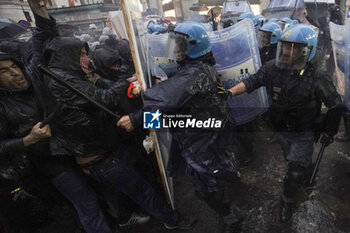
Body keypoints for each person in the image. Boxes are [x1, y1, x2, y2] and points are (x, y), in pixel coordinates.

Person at [117, 21, 245, 233]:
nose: (174, 48)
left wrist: (135, 119)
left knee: (207, 189)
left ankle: (233, 218)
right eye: (174, 43)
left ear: (193, 47)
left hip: (203, 140)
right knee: (206, 184)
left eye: (179, 45)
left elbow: (167, 102)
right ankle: (230, 212)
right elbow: (179, 97)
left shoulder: (194, 73)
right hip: (200, 136)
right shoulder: (198, 67)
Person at [227, 24, 343, 223]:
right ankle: (304, 167)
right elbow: (252, 82)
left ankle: (287, 199)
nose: (288, 52)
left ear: (307, 50)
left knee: (294, 172)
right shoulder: (272, 67)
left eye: (294, 48)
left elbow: (335, 105)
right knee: (291, 159)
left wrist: (329, 132)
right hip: (280, 128)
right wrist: (228, 93)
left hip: (304, 131)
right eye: (285, 47)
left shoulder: (317, 76)